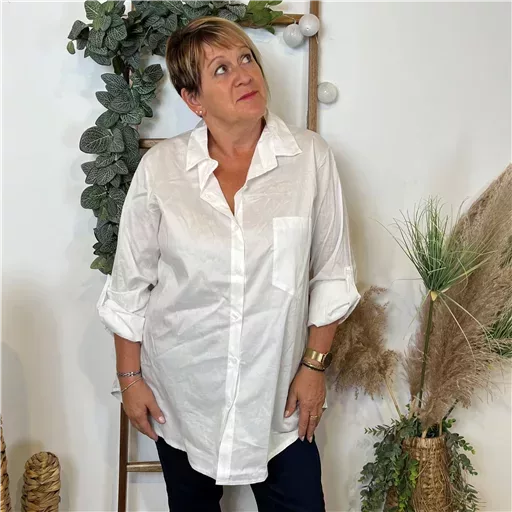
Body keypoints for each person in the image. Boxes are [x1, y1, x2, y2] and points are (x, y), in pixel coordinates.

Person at [97, 16, 360, 512]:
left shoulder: (309, 159)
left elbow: (331, 274)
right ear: (192, 99)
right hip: (183, 398)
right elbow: (131, 285)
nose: (244, 74)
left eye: (246, 58)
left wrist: (314, 366)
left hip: (278, 401)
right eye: (220, 69)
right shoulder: (162, 170)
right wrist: (130, 380)